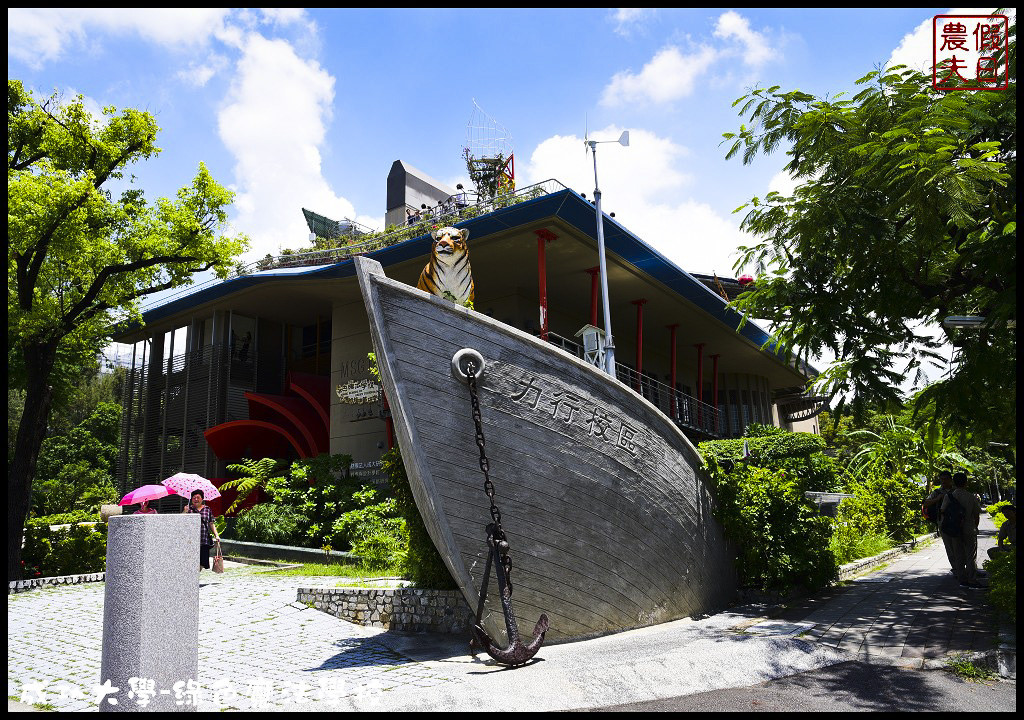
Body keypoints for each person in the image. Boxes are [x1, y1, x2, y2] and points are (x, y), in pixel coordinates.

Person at [942, 472, 983, 588]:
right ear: (966, 482)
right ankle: (972, 579)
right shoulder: (971, 497)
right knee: (970, 555)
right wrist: (975, 526)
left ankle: (962, 580)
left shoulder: (949, 496)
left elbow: (943, 512)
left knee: (958, 554)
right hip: (969, 528)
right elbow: (976, 515)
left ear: (954, 483)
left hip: (954, 530)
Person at [924, 471, 956, 574]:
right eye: (942, 479)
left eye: (946, 479)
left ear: (950, 479)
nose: (943, 481)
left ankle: (963, 567)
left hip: (958, 522)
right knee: (949, 547)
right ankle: (956, 568)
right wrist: (937, 499)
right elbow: (926, 503)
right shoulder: (937, 492)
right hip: (943, 522)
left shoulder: (956, 491)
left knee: (960, 546)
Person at [183, 490, 221, 571]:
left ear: (202, 499)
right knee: (191, 561)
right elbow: (181, 521)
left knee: (202, 562)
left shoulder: (207, 509)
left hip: (204, 540)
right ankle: (193, 578)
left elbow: (211, 523)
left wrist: (216, 535)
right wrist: (184, 512)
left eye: (198, 497)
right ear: (191, 499)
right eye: (194, 498)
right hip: (191, 540)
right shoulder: (188, 509)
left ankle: (196, 577)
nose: (196, 499)